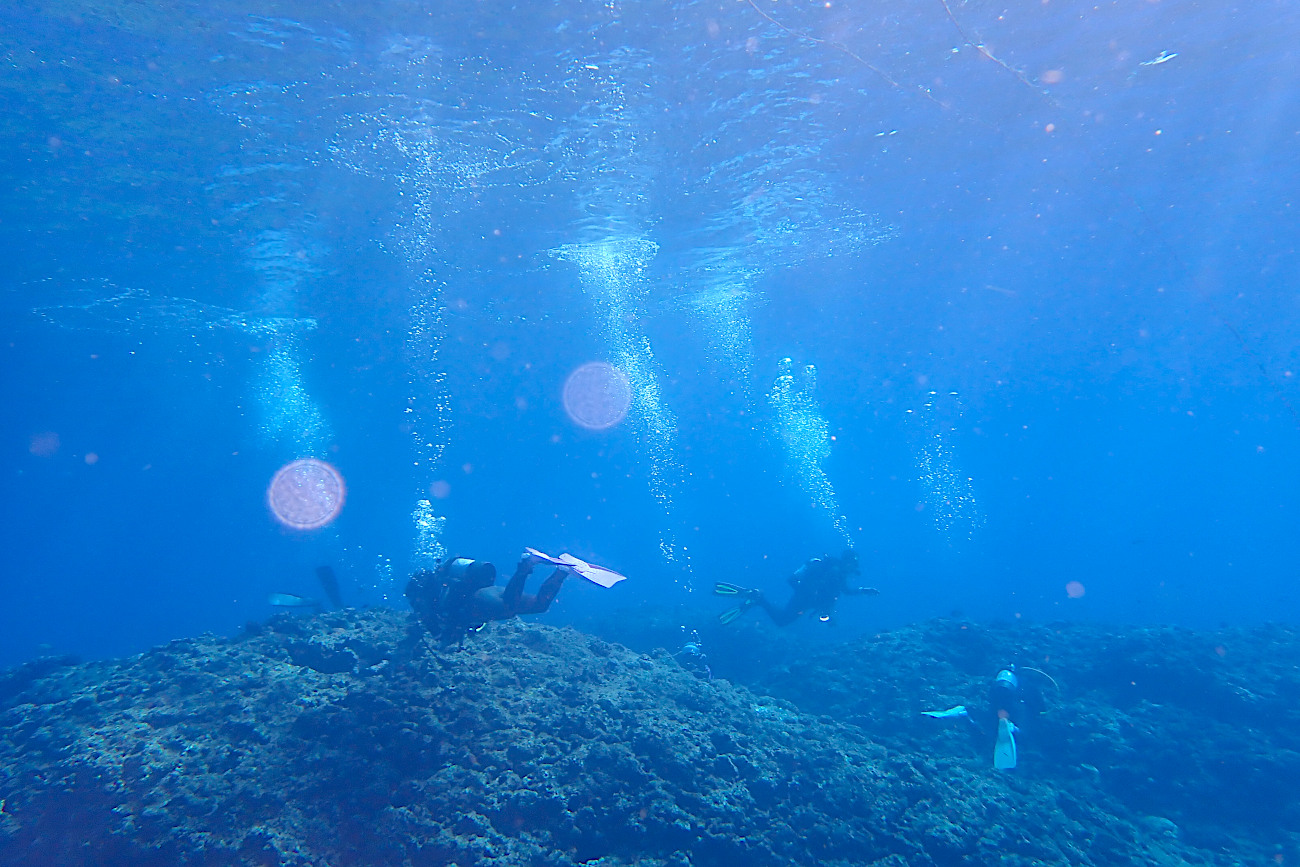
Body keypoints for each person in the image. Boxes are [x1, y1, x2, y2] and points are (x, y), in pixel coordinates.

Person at [406, 551, 571, 642]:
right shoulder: (438, 595)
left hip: (476, 602)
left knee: (508, 608)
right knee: (539, 606)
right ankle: (562, 571)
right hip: (487, 591)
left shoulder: (427, 610)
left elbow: (444, 636)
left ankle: (526, 565)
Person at [923, 664, 1057, 770]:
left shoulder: (1003, 679)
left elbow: (990, 697)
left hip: (996, 703)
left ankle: (961, 713)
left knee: (984, 726)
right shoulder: (1029, 686)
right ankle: (1012, 728)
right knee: (1018, 734)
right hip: (1013, 707)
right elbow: (1039, 710)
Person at [714, 549, 879, 626]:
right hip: (804, 599)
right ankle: (759, 598)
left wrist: (863, 590)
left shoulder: (838, 573)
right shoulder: (834, 572)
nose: (853, 569)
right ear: (847, 562)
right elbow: (794, 581)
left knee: (782, 620)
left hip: (807, 600)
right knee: (782, 621)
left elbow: (845, 591)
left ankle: (756, 598)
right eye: (853, 564)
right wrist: (810, 596)